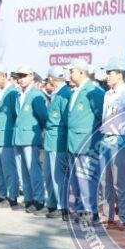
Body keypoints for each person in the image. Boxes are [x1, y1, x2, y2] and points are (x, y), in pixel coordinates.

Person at [66, 59, 105, 225]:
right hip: (73, 142)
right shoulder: (76, 91)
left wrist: (94, 140)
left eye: (72, 71)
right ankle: (81, 209)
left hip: (87, 143)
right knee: (76, 180)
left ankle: (92, 211)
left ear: (82, 72)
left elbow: (102, 118)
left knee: (87, 179)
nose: (70, 74)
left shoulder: (94, 91)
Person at [98, 58, 125, 228]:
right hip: (106, 138)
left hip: (120, 139)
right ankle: (108, 216)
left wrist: (124, 137)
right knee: (105, 180)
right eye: (107, 73)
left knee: (120, 181)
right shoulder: (107, 94)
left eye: (110, 73)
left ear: (120, 75)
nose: (107, 76)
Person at [12, 65, 48, 214]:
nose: (20, 79)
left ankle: (38, 200)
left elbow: (43, 117)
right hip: (19, 136)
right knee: (23, 172)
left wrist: (39, 132)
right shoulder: (19, 94)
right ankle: (28, 198)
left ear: (31, 77)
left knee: (33, 170)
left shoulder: (36, 94)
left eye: (23, 76)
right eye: (19, 76)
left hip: (30, 137)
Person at [42, 66, 73, 218]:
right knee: (49, 174)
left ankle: (62, 206)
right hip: (51, 139)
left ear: (51, 78)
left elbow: (67, 121)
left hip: (58, 140)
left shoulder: (65, 94)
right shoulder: (57, 93)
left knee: (58, 176)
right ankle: (52, 203)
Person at [0, 64, 21, 209]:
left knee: (9, 169)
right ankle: (2, 194)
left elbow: (17, 115)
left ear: (2, 76)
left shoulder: (12, 93)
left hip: (6, 137)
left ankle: (12, 197)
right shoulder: (0, 92)